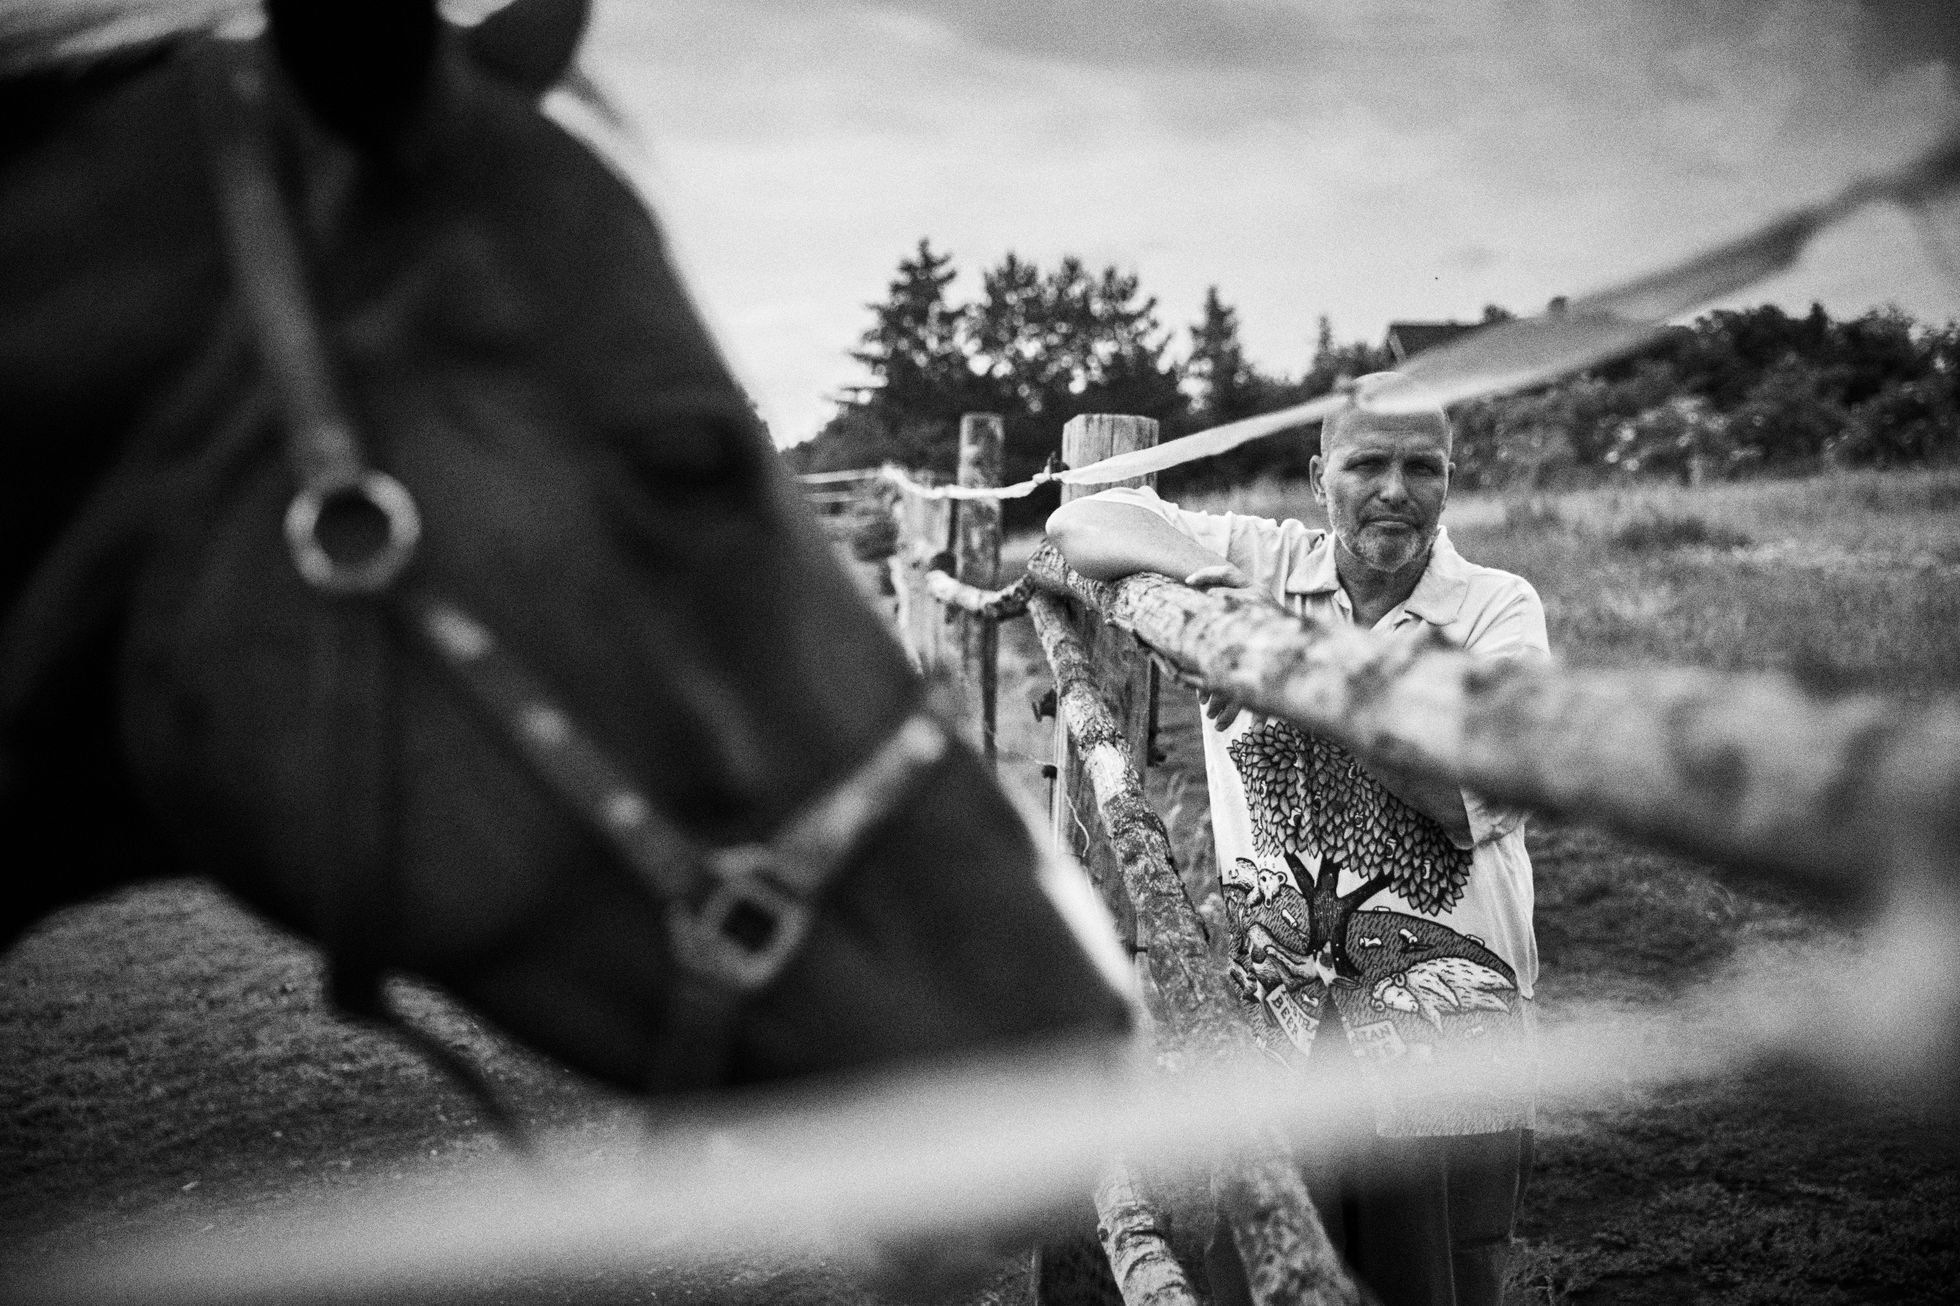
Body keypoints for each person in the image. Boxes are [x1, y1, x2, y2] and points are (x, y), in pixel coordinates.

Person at [1045, 376, 1549, 1306]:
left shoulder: (1495, 611)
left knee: (1431, 1280)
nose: (1394, 490)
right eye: (1367, 464)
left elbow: (1462, 797)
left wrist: (1281, 669)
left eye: (1421, 468)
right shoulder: (1264, 561)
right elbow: (1085, 521)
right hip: (1280, 1010)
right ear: (1321, 476)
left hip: (1444, 1015)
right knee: (1275, 1266)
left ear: (1450, 481)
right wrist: (1219, 595)